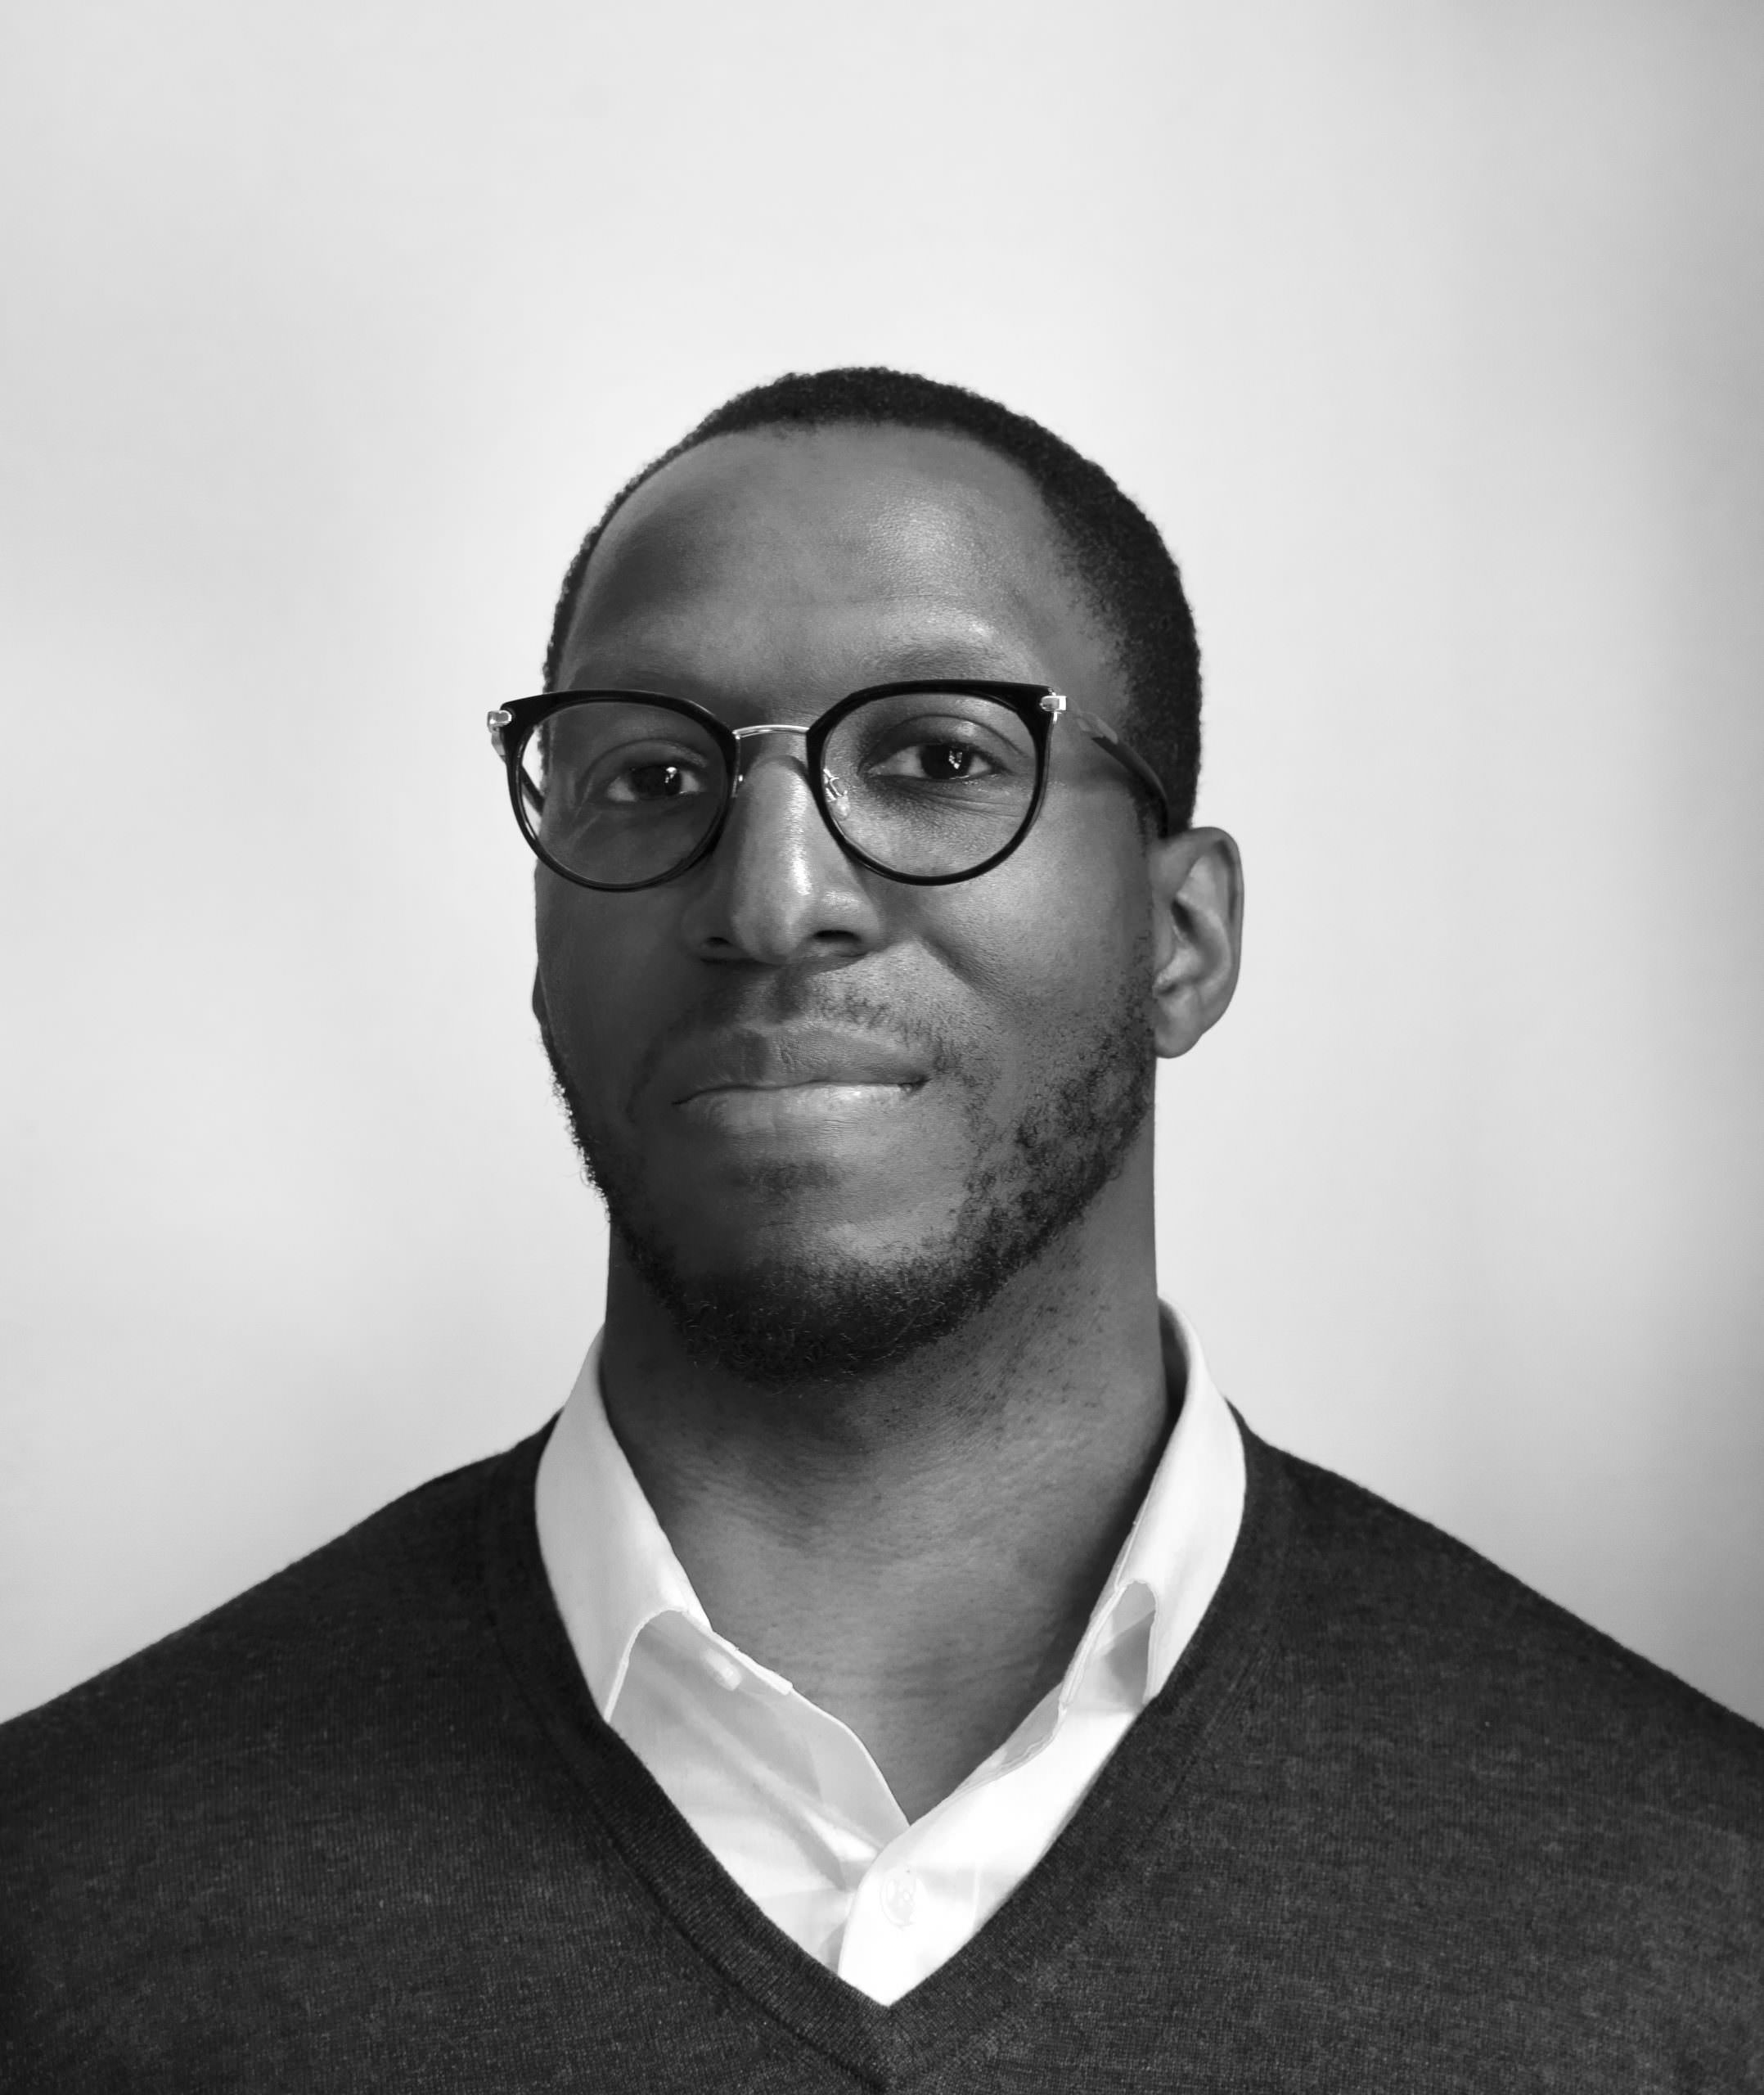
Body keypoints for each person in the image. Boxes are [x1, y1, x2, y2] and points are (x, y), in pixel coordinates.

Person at [2, 367, 1759, 2092]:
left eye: (935, 757)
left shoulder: (1698, 1917)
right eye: (650, 778)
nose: (774, 897)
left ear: (1183, 938)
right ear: (541, 935)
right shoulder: (63, 1912)